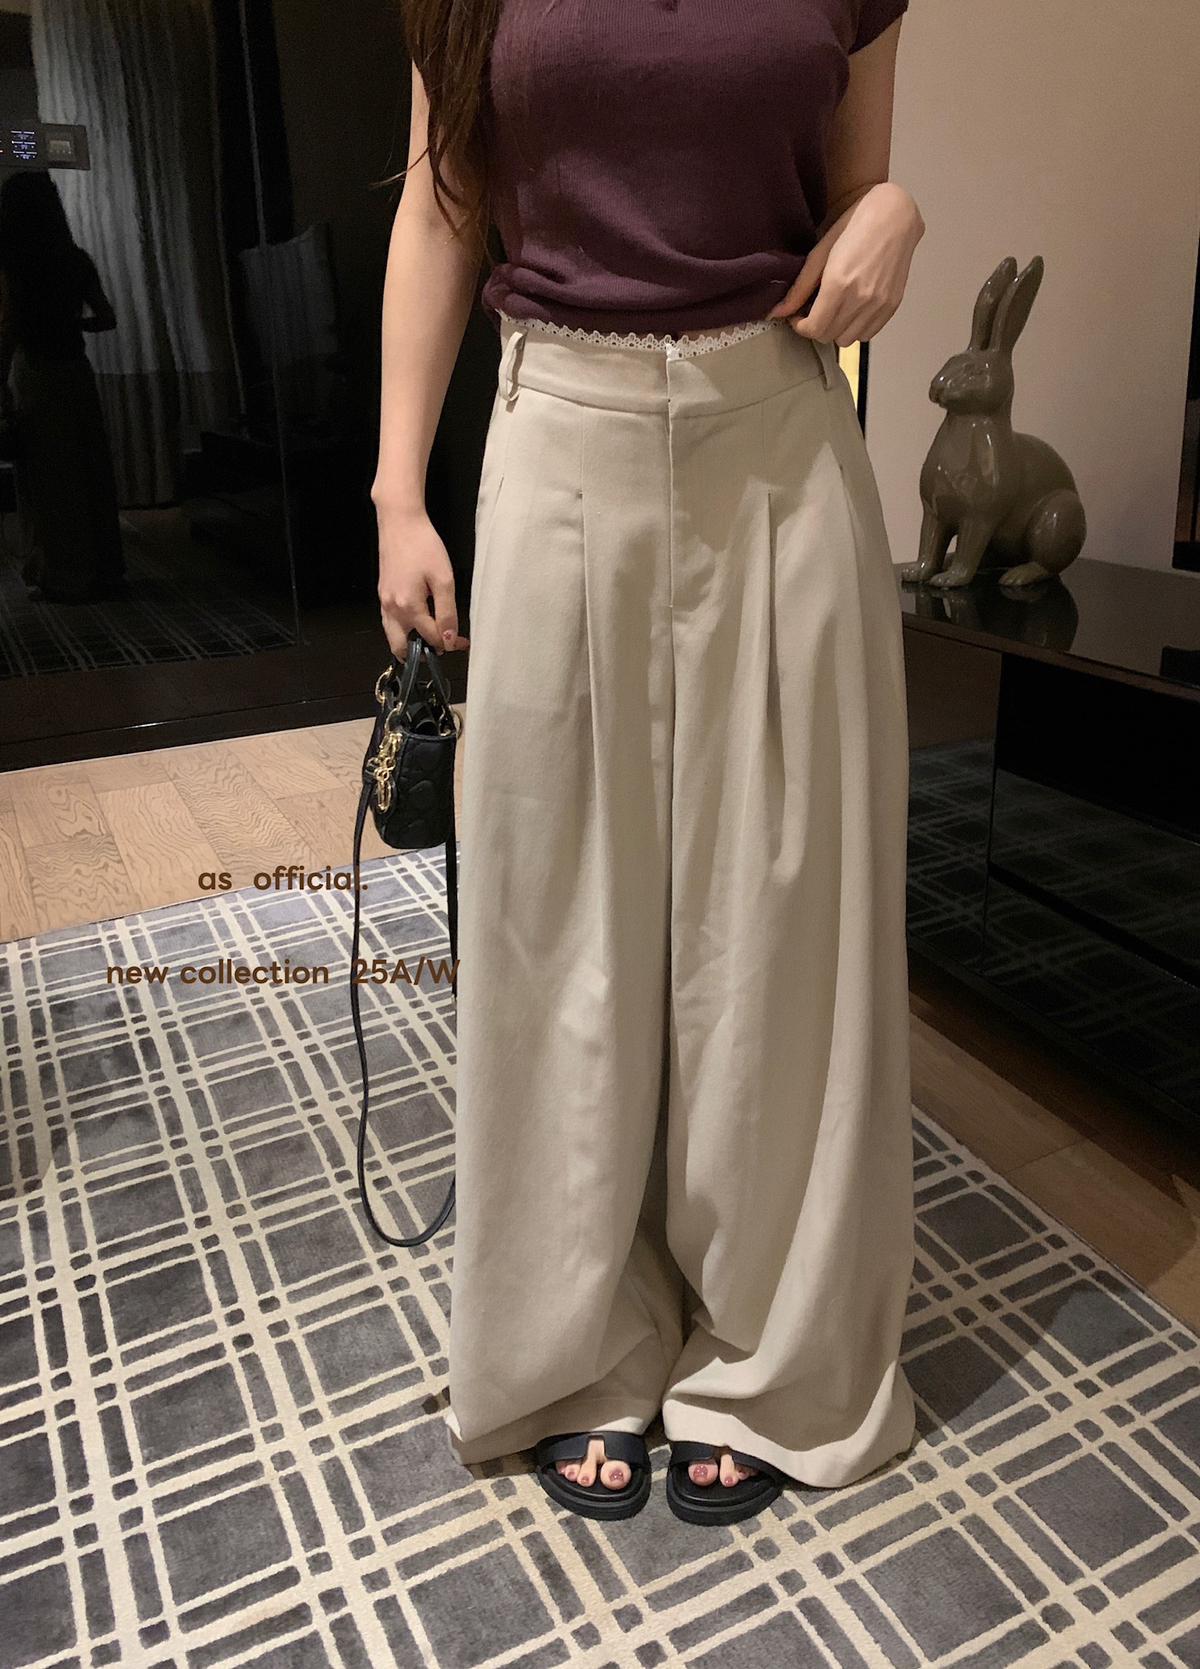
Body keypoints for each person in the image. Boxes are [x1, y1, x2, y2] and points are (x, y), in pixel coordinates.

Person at [372, 0, 925, 1526]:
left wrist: (897, 213)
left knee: (782, 925)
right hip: (560, 433)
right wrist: (398, 492)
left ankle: (774, 1352)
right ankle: (580, 1343)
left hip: (783, 441)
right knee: (558, 918)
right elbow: (443, 204)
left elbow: (857, 189)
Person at [0, 169, 125, 603]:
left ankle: (63, 574)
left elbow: (9, 330)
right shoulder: (76, 260)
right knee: (89, 471)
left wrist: (0, 385)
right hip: (76, 370)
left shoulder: (14, 264)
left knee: (49, 480)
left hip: (37, 374)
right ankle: (105, 569)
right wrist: (73, 325)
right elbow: (107, 319)